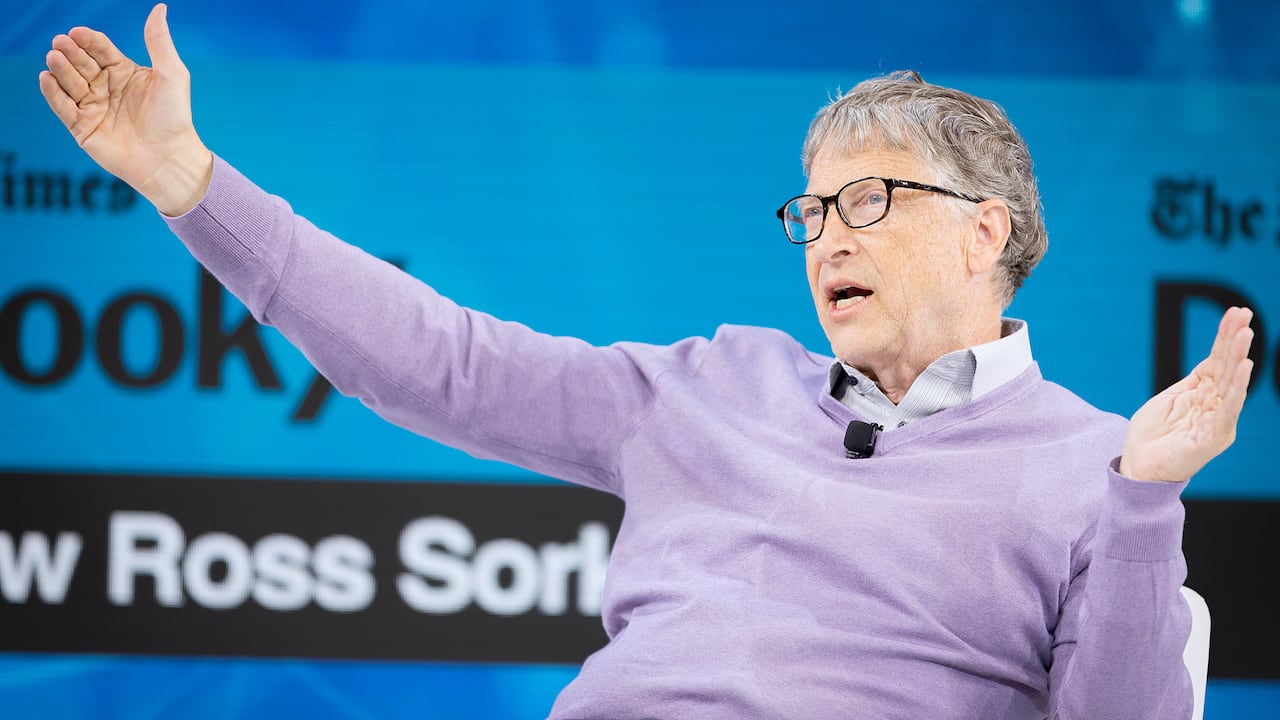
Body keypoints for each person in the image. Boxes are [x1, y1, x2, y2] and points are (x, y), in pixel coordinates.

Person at [39, 5, 1255, 719]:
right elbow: (435, 361)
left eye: (869, 200)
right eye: (812, 212)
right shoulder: (707, 385)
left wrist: (1143, 500)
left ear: (985, 228)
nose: (828, 235)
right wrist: (186, 184)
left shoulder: (1094, 467)